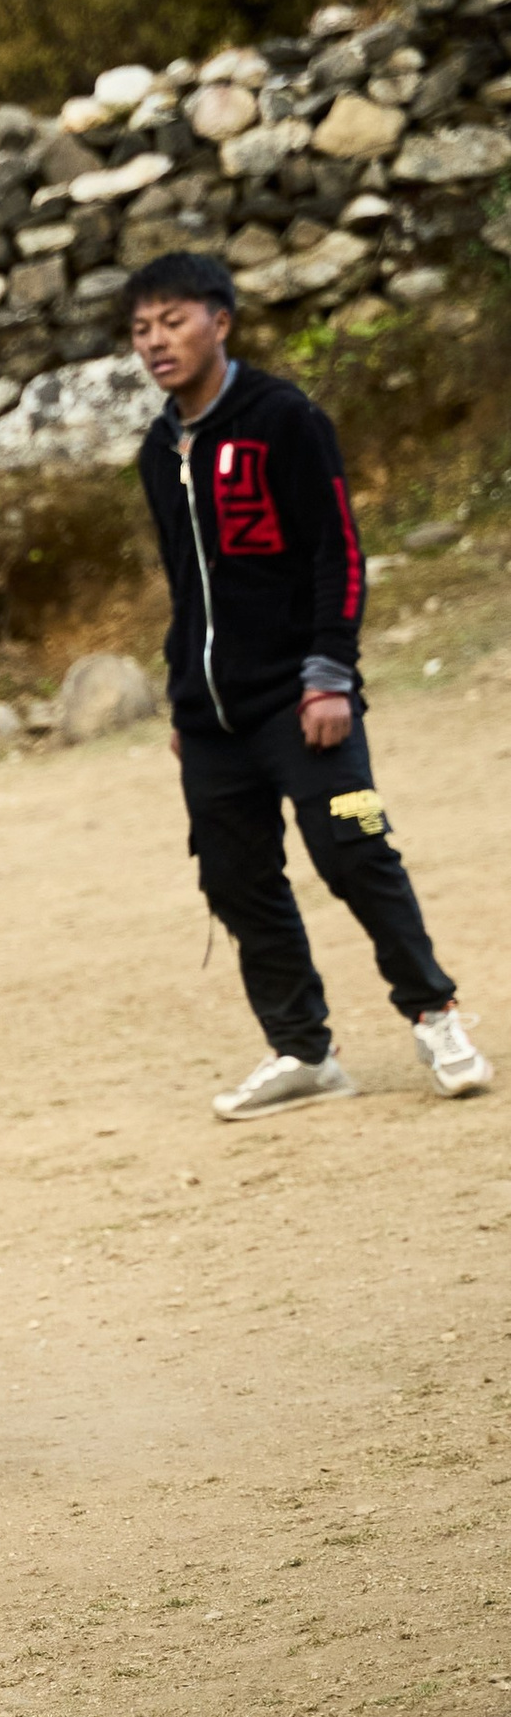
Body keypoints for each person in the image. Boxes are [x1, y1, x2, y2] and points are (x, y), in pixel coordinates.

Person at [125, 251, 490, 1119]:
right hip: (211, 715)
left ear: (222, 319)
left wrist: (330, 673)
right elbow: (186, 588)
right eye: (140, 329)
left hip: (300, 695)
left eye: (174, 320)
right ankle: (303, 1050)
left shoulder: (285, 418)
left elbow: (339, 551)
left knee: (355, 852)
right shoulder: (155, 448)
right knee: (234, 878)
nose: (156, 341)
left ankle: (434, 1012)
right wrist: (184, 695)